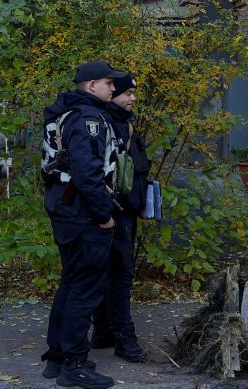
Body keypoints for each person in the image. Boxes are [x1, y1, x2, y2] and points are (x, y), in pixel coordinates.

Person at [40, 61, 127, 389]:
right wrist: (104, 214)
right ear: (92, 86)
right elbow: (87, 174)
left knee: (71, 283)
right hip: (83, 215)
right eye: (109, 83)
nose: (113, 89)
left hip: (66, 210)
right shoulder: (88, 118)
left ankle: (58, 356)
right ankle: (74, 365)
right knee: (85, 290)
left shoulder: (66, 113)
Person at [90, 73, 150, 362]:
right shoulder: (106, 125)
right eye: (127, 93)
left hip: (125, 209)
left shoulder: (124, 124)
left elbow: (136, 169)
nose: (132, 98)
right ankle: (124, 338)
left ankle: (103, 331)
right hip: (114, 211)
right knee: (119, 273)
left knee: (109, 272)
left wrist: (143, 202)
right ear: (112, 94)